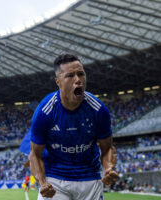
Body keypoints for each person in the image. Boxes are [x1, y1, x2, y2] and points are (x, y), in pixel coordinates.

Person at [28, 54, 118, 200]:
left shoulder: (98, 109)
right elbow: (35, 154)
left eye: (81, 74)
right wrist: (43, 183)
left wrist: (108, 169)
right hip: (55, 181)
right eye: (70, 76)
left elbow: (107, 147)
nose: (78, 80)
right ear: (59, 82)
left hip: (90, 179)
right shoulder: (45, 111)